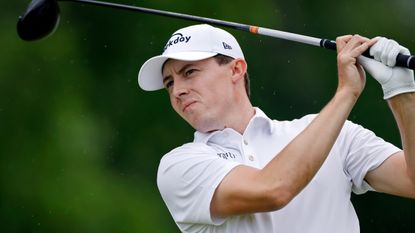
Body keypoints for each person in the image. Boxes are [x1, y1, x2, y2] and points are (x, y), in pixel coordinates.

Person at [137, 24, 415, 233]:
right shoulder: (179, 165)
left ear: (236, 70)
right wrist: (346, 93)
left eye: (189, 72)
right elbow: (274, 189)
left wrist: (401, 91)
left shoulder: (339, 135)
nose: (178, 91)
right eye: (169, 82)